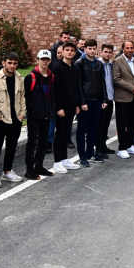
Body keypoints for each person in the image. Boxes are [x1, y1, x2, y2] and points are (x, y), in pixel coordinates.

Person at [0, 52, 27, 188]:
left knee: (12, 146)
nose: (12, 66)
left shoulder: (19, 78)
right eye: (9, 62)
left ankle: (7, 171)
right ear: (3, 63)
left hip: (15, 119)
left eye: (15, 63)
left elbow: (23, 98)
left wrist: (21, 114)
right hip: (0, 120)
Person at [75, 39, 108, 167]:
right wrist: (82, 101)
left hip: (97, 100)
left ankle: (90, 153)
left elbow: (103, 82)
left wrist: (104, 99)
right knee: (82, 128)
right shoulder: (80, 63)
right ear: (85, 49)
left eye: (94, 48)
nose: (92, 51)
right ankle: (82, 156)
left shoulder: (99, 64)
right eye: (90, 48)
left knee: (93, 128)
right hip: (86, 100)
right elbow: (78, 84)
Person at [23, 50, 56, 180]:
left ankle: (39, 166)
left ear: (50, 61)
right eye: (42, 59)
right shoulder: (30, 77)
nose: (45, 61)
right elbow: (25, 97)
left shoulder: (51, 76)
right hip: (34, 116)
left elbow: (52, 95)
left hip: (47, 114)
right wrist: (32, 110)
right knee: (32, 142)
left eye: (47, 59)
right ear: (37, 60)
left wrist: (52, 110)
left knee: (43, 142)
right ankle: (29, 170)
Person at [51, 43, 82, 173]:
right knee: (60, 133)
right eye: (67, 50)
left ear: (75, 53)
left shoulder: (74, 67)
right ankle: (57, 162)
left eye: (72, 50)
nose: (69, 52)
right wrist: (58, 107)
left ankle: (64, 159)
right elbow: (55, 89)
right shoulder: (57, 67)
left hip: (71, 106)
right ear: (62, 52)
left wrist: (77, 104)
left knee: (66, 133)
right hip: (61, 107)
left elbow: (76, 87)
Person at [112, 40, 134, 158]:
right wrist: (132, 88)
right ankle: (122, 148)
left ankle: (130, 145)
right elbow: (116, 79)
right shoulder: (117, 61)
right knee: (122, 124)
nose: (130, 50)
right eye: (127, 48)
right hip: (123, 97)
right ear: (123, 49)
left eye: (132, 48)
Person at [96, 43, 115, 157]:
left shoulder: (111, 65)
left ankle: (103, 146)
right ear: (101, 52)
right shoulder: (98, 64)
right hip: (101, 99)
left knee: (106, 124)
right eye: (106, 52)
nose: (107, 54)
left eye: (109, 52)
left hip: (110, 98)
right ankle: (98, 148)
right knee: (99, 125)